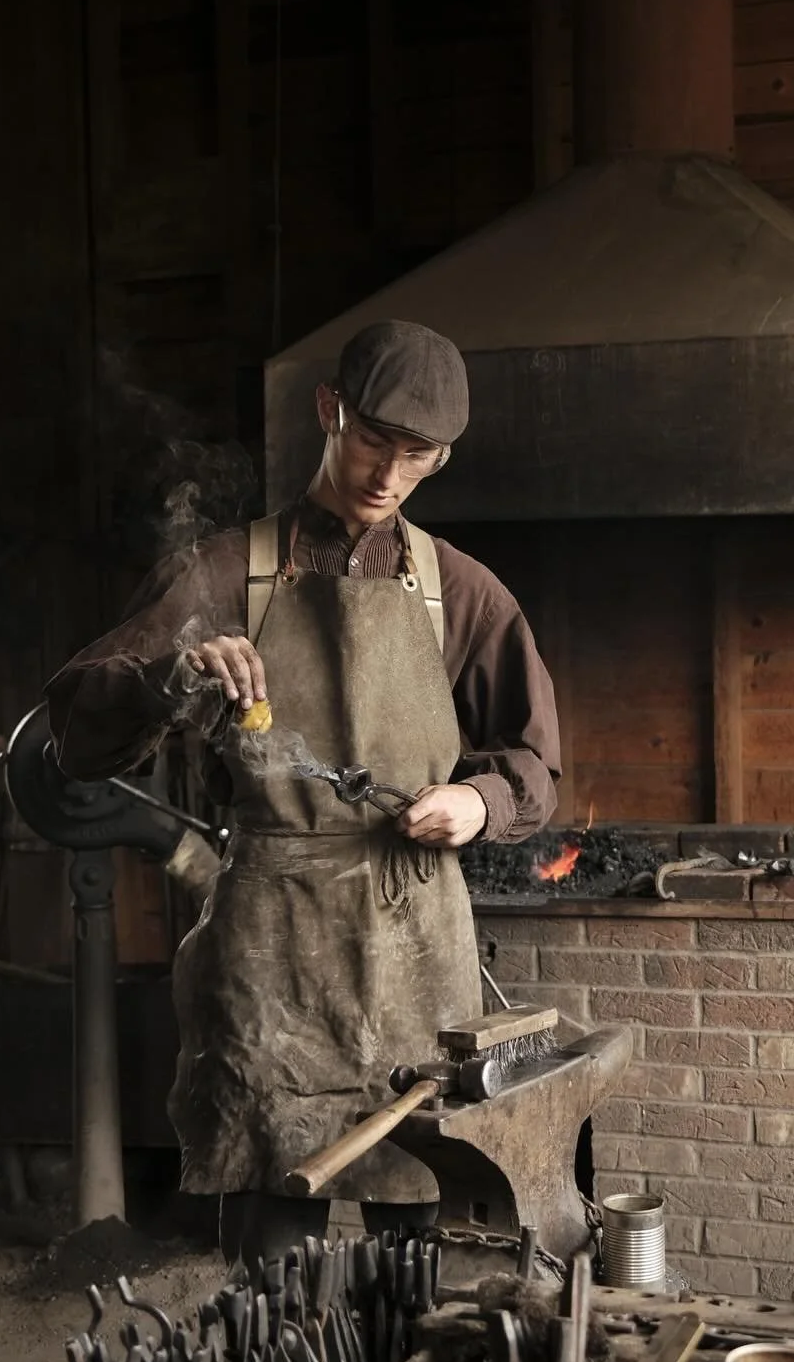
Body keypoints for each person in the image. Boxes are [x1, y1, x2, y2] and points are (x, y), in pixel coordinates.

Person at [47, 320, 560, 1267]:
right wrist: (176, 676)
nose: (386, 478)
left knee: (416, 1232)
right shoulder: (221, 572)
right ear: (330, 412)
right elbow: (75, 734)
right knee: (271, 1240)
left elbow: (536, 763)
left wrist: (481, 803)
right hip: (272, 948)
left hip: (415, 946)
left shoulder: (462, 592)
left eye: (417, 459)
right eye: (373, 443)